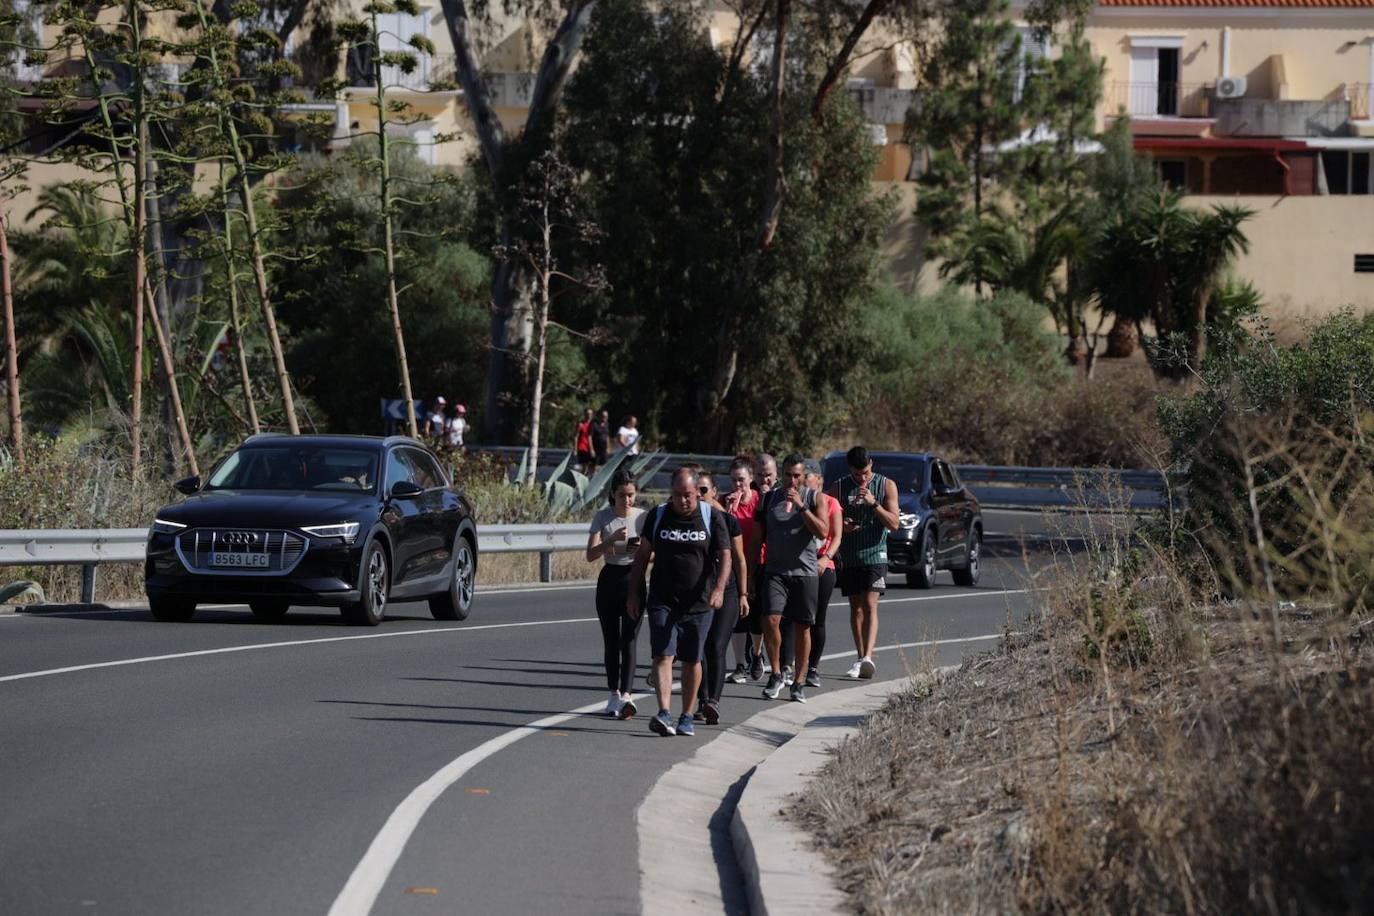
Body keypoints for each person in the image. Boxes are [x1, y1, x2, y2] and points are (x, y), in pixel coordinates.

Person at [627, 468, 732, 737]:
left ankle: (686, 715)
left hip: (699, 601)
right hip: (663, 598)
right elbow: (642, 555)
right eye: (677, 495)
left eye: (687, 495)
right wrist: (634, 592)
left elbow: (726, 555)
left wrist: (720, 589)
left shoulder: (711, 517)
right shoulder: (659, 515)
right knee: (663, 655)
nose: (682, 500)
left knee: (691, 660)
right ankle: (663, 712)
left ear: (697, 492)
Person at [748, 453, 830, 702]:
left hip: (805, 573)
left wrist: (802, 507)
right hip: (775, 572)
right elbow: (756, 540)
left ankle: (799, 681)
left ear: (804, 477)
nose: (792, 481)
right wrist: (750, 574)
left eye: (797, 476)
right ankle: (775, 673)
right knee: (770, 619)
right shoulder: (768, 499)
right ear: (781, 475)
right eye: (787, 475)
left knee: (802, 626)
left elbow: (823, 531)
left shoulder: (814, 498)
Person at [828, 446, 901, 679]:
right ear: (850, 468)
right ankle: (860, 658)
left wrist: (874, 503)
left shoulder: (886, 485)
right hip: (850, 555)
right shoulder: (839, 487)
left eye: (866, 473)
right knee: (856, 606)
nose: (862, 478)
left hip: (875, 553)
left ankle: (868, 656)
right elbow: (828, 520)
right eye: (857, 474)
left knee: (870, 603)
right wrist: (843, 526)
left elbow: (894, 524)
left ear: (872, 464)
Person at [586, 470, 647, 719]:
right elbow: (591, 554)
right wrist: (609, 541)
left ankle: (627, 695)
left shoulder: (643, 517)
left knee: (629, 640)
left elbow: (652, 553)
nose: (627, 500)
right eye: (622, 495)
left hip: (634, 579)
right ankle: (613, 693)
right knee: (611, 641)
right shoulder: (602, 516)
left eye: (631, 495)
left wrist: (627, 547)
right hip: (609, 580)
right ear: (613, 494)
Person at [695, 471, 748, 725]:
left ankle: (713, 702)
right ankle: (702, 699)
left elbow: (740, 560)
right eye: (695, 490)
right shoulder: (689, 521)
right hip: (699, 592)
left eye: (704, 490)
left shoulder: (728, 521)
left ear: (715, 492)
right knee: (700, 646)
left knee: (716, 645)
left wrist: (744, 594)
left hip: (727, 590)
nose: (699, 495)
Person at [804, 464, 842, 688]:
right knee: (795, 619)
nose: (802, 481)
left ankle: (813, 668)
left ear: (818, 479)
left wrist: (826, 558)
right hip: (797, 564)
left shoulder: (830, 502)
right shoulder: (793, 501)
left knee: (817, 618)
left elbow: (836, 537)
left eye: (806, 477)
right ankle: (789, 667)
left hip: (822, 564)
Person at [724, 460, 761, 685]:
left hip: (757, 563)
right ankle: (739, 665)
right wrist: (729, 511)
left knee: (756, 615)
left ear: (750, 479)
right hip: (735, 566)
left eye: (742, 480)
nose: (738, 485)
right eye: (734, 480)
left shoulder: (760, 501)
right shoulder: (726, 503)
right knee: (737, 616)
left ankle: (756, 654)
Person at [574, 408, 595, 475]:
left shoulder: (593, 424)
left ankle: (588, 478)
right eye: (587, 414)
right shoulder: (581, 424)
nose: (589, 415)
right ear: (585, 414)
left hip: (591, 448)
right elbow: (576, 437)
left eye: (590, 414)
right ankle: (582, 479)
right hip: (583, 447)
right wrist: (575, 449)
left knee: (592, 467)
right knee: (585, 467)